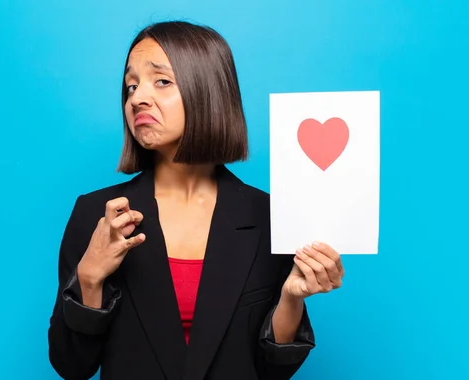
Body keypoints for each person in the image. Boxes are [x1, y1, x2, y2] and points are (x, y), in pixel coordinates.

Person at [47, 20, 345, 380]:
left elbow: (270, 369)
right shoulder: (97, 215)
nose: (138, 97)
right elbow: (71, 365)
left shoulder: (270, 216)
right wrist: (90, 276)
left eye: (162, 81)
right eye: (131, 85)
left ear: (207, 91)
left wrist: (292, 298)